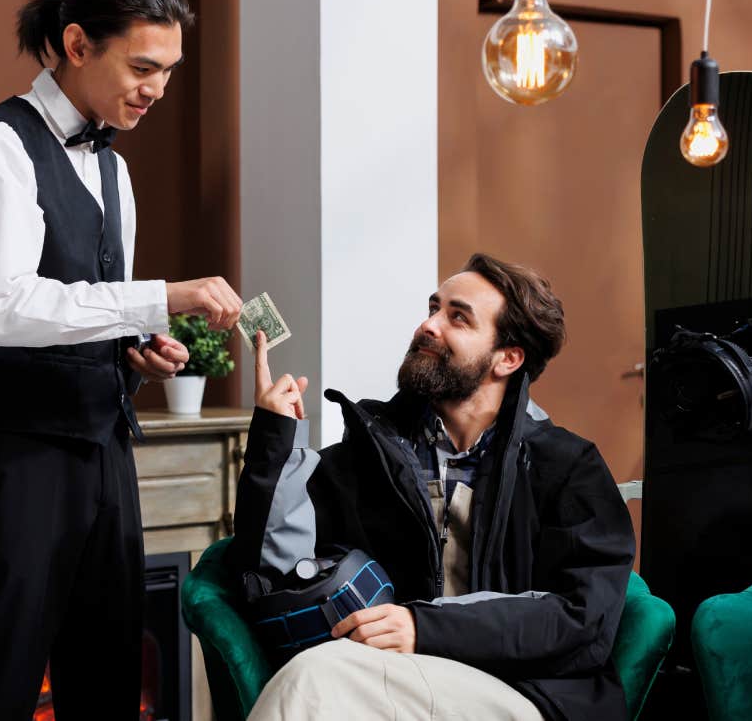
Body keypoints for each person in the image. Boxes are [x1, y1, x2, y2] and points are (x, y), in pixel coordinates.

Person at [0, 0, 241, 719]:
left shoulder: (115, 171)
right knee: (0, 686)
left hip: (107, 450)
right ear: (75, 42)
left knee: (106, 677)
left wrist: (138, 345)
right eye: (142, 67)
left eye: (168, 73)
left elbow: (86, 307)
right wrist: (162, 297)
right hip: (18, 457)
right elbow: (0, 308)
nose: (157, 90)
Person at [229, 253, 636, 721]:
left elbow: (583, 621)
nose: (430, 325)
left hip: (525, 693)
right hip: (392, 687)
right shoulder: (371, 455)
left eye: (457, 317)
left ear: (508, 358)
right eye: (433, 309)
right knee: (318, 675)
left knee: (314, 677)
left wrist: (424, 627)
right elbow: (273, 571)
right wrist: (276, 440)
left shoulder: (568, 467)